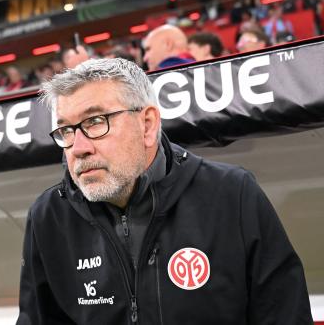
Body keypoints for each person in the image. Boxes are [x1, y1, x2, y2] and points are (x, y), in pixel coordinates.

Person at [16, 58, 311, 324]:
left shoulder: (233, 195)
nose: (78, 148)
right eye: (66, 130)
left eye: (96, 122)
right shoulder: (49, 215)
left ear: (147, 125)